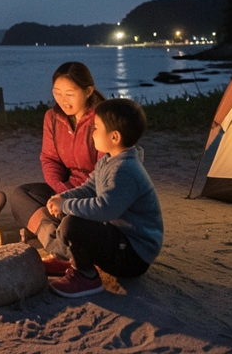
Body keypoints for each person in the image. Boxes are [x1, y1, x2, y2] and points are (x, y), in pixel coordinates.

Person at [46, 98, 163, 298]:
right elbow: (89, 188)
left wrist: (66, 205)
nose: (92, 133)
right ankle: (74, 260)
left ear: (115, 137)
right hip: (121, 238)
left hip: (134, 255)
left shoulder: (125, 170)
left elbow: (104, 209)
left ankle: (86, 276)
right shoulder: (109, 160)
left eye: (96, 128)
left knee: (73, 225)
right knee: (72, 217)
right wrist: (62, 198)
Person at [8, 61, 103, 254]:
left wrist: (69, 198)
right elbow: (50, 159)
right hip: (63, 189)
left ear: (88, 91)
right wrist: (60, 191)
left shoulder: (103, 118)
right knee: (20, 195)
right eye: (57, 92)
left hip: (94, 196)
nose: (62, 100)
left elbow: (105, 170)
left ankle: (59, 231)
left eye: (70, 94)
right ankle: (54, 240)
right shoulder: (52, 117)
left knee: (79, 219)